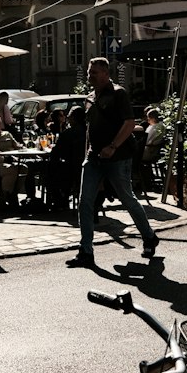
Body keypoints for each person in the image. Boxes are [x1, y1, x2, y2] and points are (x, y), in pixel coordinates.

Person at [67, 57, 157, 270]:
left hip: (117, 157)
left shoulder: (118, 94)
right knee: (85, 202)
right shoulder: (89, 98)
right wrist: (86, 155)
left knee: (127, 199)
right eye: (89, 72)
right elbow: (90, 129)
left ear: (106, 73)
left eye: (95, 72)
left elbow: (129, 123)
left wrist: (113, 147)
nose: (91, 76)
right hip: (93, 158)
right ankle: (86, 252)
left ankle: (149, 237)